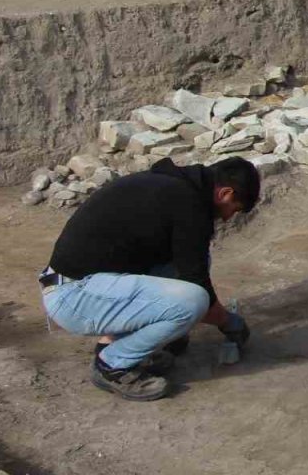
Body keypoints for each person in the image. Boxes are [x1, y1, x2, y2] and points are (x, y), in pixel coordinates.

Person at [39, 157, 260, 401]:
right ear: (225, 193)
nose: (229, 218)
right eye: (235, 209)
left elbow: (188, 267)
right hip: (75, 297)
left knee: (189, 273)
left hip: (80, 285)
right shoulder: (189, 204)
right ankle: (112, 365)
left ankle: (111, 344)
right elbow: (200, 292)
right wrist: (229, 323)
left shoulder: (172, 186)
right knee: (193, 301)